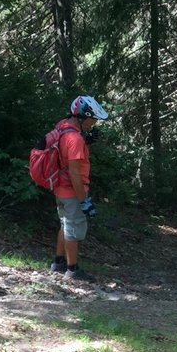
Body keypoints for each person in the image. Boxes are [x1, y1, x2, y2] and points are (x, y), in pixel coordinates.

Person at [49, 94, 109, 282]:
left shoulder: (63, 126)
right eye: (93, 119)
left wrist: (86, 141)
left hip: (60, 187)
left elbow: (65, 152)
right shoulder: (74, 139)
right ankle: (72, 270)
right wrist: (84, 201)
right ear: (83, 117)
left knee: (65, 224)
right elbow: (75, 172)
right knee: (73, 229)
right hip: (72, 190)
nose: (94, 123)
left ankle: (58, 263)